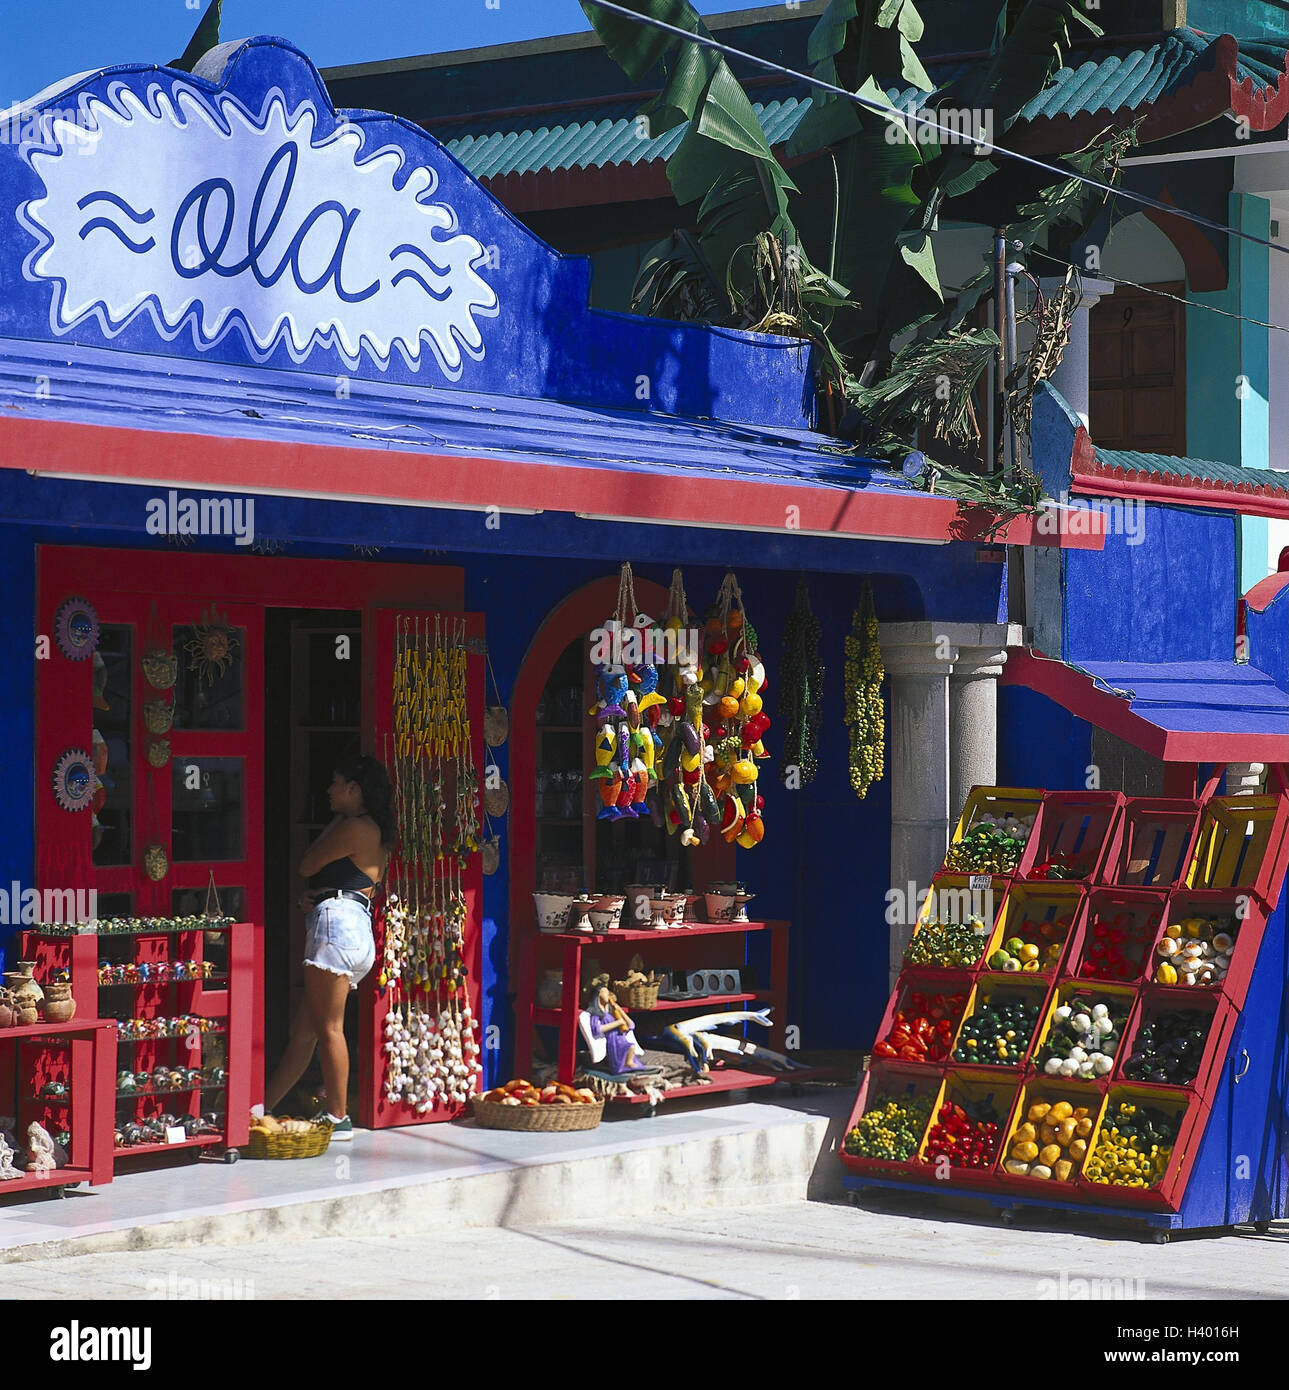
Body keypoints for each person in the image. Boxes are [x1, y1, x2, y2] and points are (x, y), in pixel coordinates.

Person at [264, 754, 396, 1139]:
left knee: (329, 1029)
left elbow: (306, 863)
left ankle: (339, 1117)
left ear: (354, 790)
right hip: (354, 927)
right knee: (304, 1031)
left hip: (335, 928)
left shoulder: (354, 826)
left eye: (336, 783)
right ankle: (262, 1105)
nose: (329, 790)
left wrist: (336, 820)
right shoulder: (372, 827)